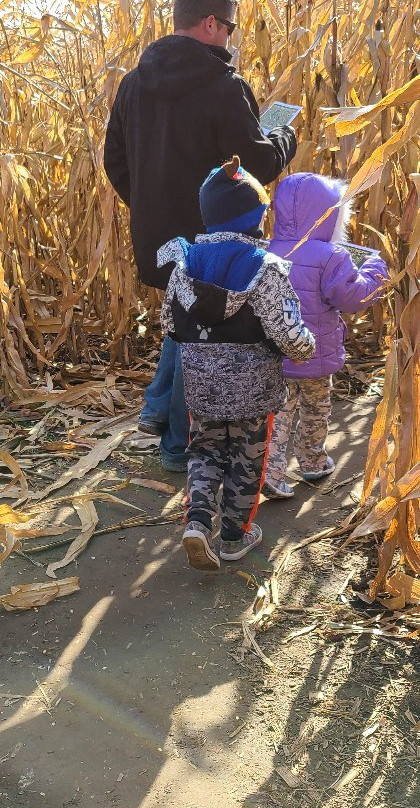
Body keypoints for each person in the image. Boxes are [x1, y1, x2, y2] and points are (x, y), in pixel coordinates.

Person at [104, 0, 297, 471]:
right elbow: (259, 165)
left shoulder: (133, 84)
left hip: (156, 234)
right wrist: (285, 138)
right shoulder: (223, 87)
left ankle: (155, 409)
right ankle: (176, 447)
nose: (230, 38)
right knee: (203, 337)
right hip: (215, 242)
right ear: (211, 23)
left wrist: (150, 207)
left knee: (183, 322)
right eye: (230, 27)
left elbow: (115, 162)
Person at [158, 156, 316, 571]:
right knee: (248, 460)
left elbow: (170, 325)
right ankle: (233, 537)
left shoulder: (182, 266)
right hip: (254, 392)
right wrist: (307, 347)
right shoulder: (266, 270)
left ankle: (196, 521)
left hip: (202, 388)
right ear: (256, 219)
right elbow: (290, 337)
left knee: (205, 451)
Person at [263, 173, 389, 498]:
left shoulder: (267, 250)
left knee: (279, 413)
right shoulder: (331, 255)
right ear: (329, 213)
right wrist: (375, 270)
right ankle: (312, 462)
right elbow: (353, 298)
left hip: (275, 356)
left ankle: (271, 472)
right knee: (316, 409)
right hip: (315, 358)